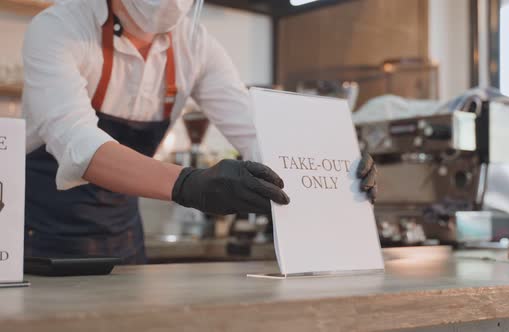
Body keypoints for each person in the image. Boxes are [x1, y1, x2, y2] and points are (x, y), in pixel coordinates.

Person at [22, 0, 377, 264]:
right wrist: (188, 183)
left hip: (124, 236)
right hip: (40, 231)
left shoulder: (196, 45)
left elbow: (261, 135)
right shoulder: (58, 27)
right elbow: (78, 144)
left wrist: (340, 170)